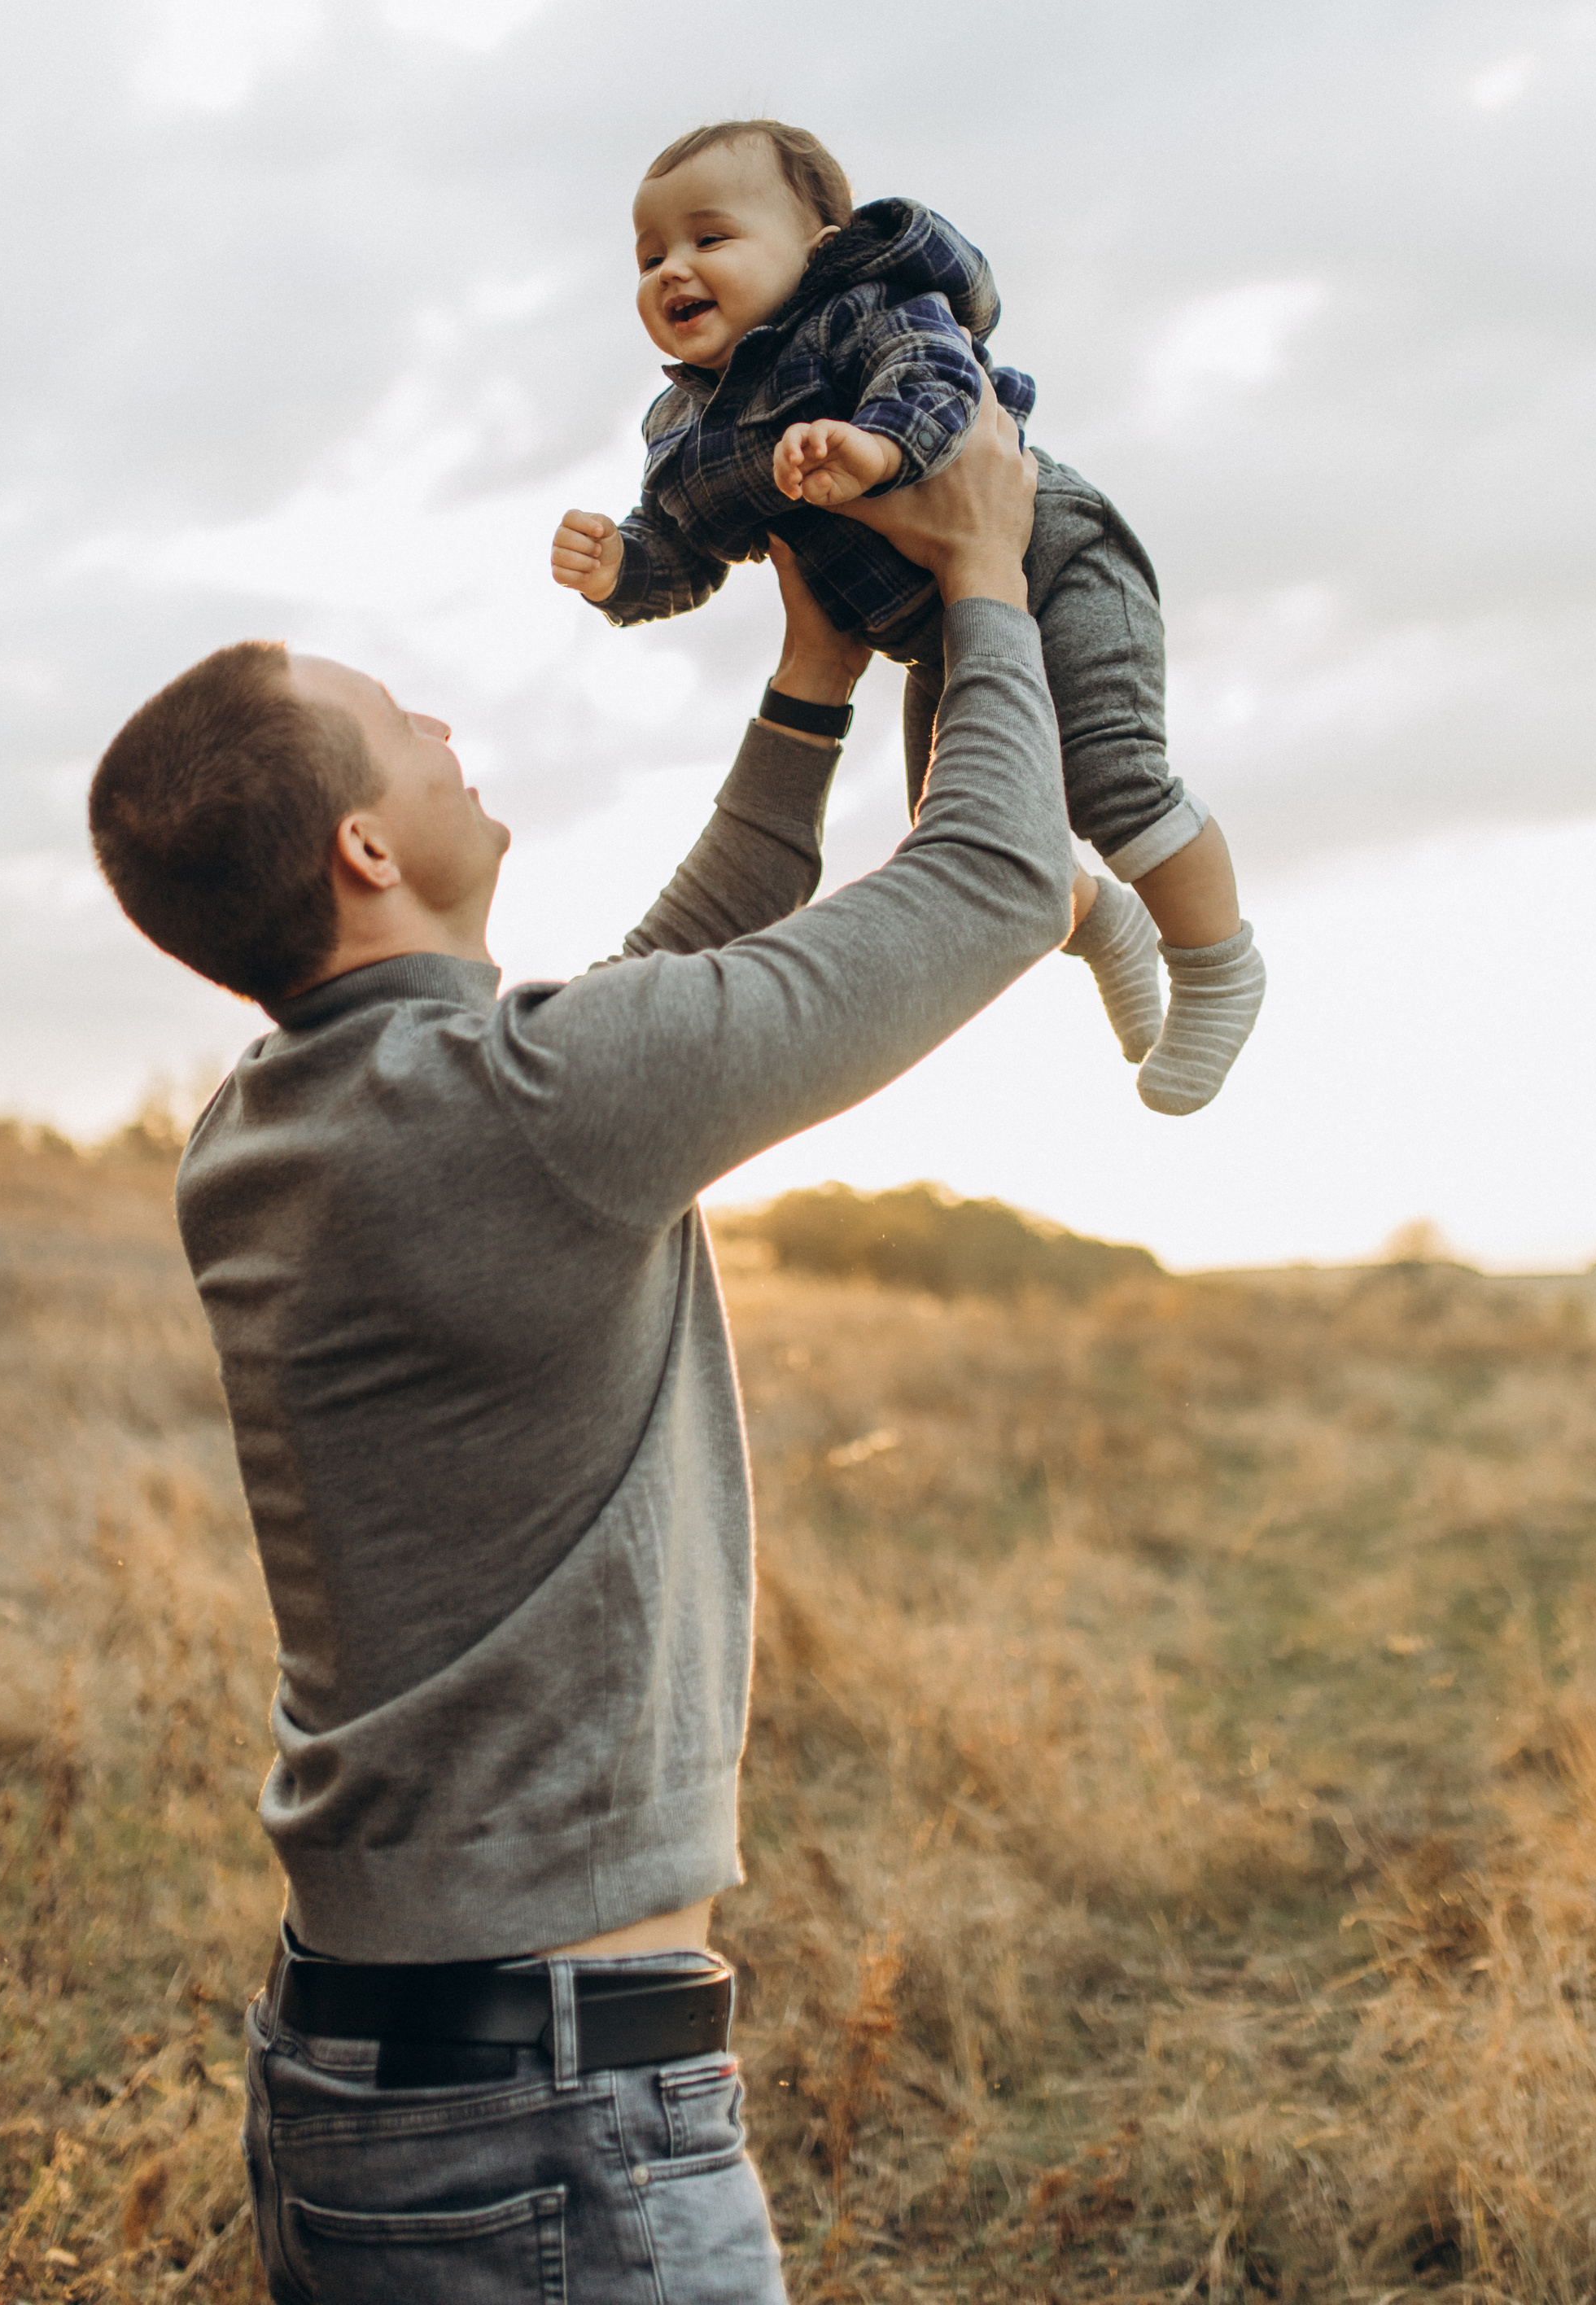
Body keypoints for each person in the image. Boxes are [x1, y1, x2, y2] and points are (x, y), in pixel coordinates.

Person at [86, 404, 1064, 2305]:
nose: (448, 726)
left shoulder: (282, 1125)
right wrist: (994, 571)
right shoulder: (515, 1112)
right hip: (545, 2130)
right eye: (403, 721)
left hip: (392, 2083)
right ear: (368, 840)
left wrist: (807, 684)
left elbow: (646, 1000)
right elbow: (997, 882)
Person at [551, 116, 1266, 1116]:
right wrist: (620, 569)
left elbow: (934, 382)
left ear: (820, 248)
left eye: (709, 239)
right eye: (649, 255)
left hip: (1051, 556)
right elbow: (685, 545)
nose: (672, 269)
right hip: (935, 629)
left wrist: (876, 449)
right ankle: (1099, 918)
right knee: (969, 832)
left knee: (1108, 774)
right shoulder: (684, 430)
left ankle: (1219, 965)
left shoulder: (867, 307)